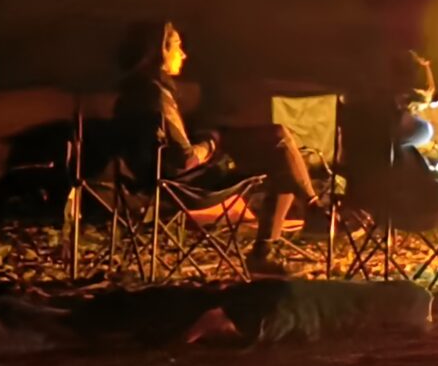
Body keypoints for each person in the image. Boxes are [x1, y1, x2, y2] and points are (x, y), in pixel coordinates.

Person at [111, 19, 319, 276]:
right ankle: (299, 222)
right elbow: (185, 158)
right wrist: (211, 143)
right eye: (176, 46)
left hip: (157, 179)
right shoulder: (155, 95)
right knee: (279, 147)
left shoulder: (130, 93)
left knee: (279, 143)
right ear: (159, 52)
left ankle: (311, 209)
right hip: (186, 183)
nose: (183, 54)